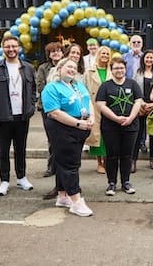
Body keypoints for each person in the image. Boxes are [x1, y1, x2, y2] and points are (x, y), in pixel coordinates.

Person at [41, 57, 95, 216]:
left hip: (81, 127)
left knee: (63, 163)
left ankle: (62, 195)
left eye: (74, 68)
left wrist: (91, 117)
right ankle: (76, 201)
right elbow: (55, 113)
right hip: (63, 129)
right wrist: (78, 123)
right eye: (68, 67)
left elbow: (88, 100)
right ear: (59, 69)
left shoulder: (77, 85)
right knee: (69, 165)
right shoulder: (51, 88)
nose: (72, 70)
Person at [0, 36, 37, 196]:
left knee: (21, 148)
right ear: (3, 48)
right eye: (7, 46)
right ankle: (4, 180)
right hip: (3, 116)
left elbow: (33, 90)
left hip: (22, 116)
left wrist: (31, 107)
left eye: (14, 46)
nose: (11, 49)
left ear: (19, 48)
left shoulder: (28, 68)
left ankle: (21, 177)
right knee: (3, 150)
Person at [96, 57, 143, 196]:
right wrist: (116, 118)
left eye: (121, 68)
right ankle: (111, 183)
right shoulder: (105, 86)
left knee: (127, 155)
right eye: (116, 68)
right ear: (111, 70)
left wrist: (130, 118)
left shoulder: (132, 84)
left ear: (125, 69)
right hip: (110, 126)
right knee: (111, 156)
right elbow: (100, 105)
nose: (119, 70)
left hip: (130, 126)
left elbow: (138, 101)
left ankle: (126, 182)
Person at [36, 41, 64, 200]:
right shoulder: (43, 68)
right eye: (53, 51)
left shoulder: (67, 65)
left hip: (65, 108)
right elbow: (40, 87)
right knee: (52, 139)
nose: (56, 53)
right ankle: (51, 167)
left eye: (58, 50)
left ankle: (60, 169)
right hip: (48, 107)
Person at [83, 46, 112, 174]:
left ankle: (107, 161)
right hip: (94, 106)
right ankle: (99, 162)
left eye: (107, 54)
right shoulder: (89, 72)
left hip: (109, 106)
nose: (105, 56)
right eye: (102, 53)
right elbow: (84, 89)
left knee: (108, 134)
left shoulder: (112, 70)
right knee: (97, 135)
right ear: (98, 55)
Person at [131, 49, 153, 171]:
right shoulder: (137, 73)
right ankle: (133, 160)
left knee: (152, 134)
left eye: (151, 58)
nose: (149, 60)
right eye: (147, 57)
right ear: (143, 59)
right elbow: (133, 90)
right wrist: (142, 104)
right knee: (138, 134)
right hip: (140, 107)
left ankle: (152, 158)